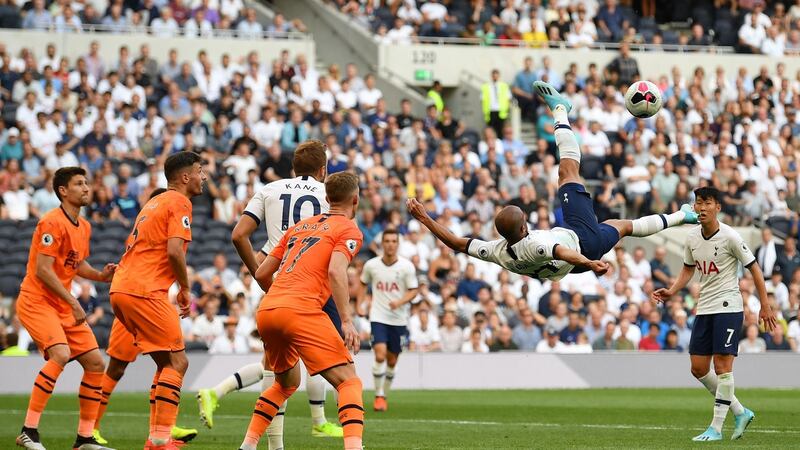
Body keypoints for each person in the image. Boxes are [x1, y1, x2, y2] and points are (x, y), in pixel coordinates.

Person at [407, 81, 697, 282]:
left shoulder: (497, 252)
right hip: (581, 247)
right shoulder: (535, 243)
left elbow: (458, 243)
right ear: (524, 227)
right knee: (568, 173)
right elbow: (562, 252)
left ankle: (683, 215)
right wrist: (590, 263)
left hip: (571, 269)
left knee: (624, 227)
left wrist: (425, 218)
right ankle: (560, 108)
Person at [197, 140, 343, 446]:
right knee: (324, 361)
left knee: (277, 369)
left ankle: (273, 442)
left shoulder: (270, 189)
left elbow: (239, 235)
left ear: (292, 168)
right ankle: (318, 422)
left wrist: (260, 274)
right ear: (323, 169)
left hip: (279, 284)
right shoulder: (330, 194)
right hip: (315, 285)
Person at [239, 171, 364, 450]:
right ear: (355, 200)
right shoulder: (348, 230)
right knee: (349, 382)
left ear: (327, 197)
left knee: (285, 383)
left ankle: (247, 446)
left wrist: (280, 301)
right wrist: (346, 320)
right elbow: (335, 270)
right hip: (301, 309)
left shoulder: (299, 227)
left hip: (269, 308)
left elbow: (260, 273)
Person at [653, 186, 777, 442]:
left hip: (728, 307)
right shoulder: (692, 237)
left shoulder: (730, 237)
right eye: (698, 202)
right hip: (704, 307)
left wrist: (765, 305)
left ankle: (716, 428)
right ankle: (740, 412)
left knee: (722, 367)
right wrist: (673, 290)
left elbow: (754, 269)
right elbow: (688, 269)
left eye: (707, 202)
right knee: (698, 368)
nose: (701, 207)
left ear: (717, 207)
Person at [109, 151, 206, 449]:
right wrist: (186, 288)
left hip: (122, 288)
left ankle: (156, 437)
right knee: (178, 361)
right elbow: (175, 251)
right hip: (144, 290)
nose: (204, 177)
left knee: (165, 362)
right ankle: (162, 438)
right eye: (200, 171)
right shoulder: (179, 201)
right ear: (185, 176)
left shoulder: (153, 202)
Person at [15, 167, 116, 450]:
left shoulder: (84, 226)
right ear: (63, 190)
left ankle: (84, 438)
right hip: (37, 301)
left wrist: (100, 276)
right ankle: (28, 431)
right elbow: (44, 270)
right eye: (79, 183)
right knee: (60, 354)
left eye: (87, 182)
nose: (87, 188)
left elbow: (76, 263)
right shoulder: (51, 222)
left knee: (96, 363)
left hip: (61, 304)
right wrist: (74, 302)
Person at [91, 188, 197, 447]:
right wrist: (185, 288)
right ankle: (91, 428)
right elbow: (170, 253)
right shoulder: (173, 205)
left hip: (135, 294)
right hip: (141, 297)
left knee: (165, 363)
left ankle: (161, 430)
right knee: (121, 367)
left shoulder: (148, 217)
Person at [358, 229, 419, 411]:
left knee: (392, 361)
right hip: (378, 317)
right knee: (379, 355)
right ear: (382, 243)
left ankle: (384, 393)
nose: (390, 244)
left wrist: (400, 301)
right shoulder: (371, 265)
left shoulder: (407, 267)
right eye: (387, 241)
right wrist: (360, 303)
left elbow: (414, 290)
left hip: (399, 320)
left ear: (398, 244)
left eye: (394, 241)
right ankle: (378, 396)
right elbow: (362, 283)